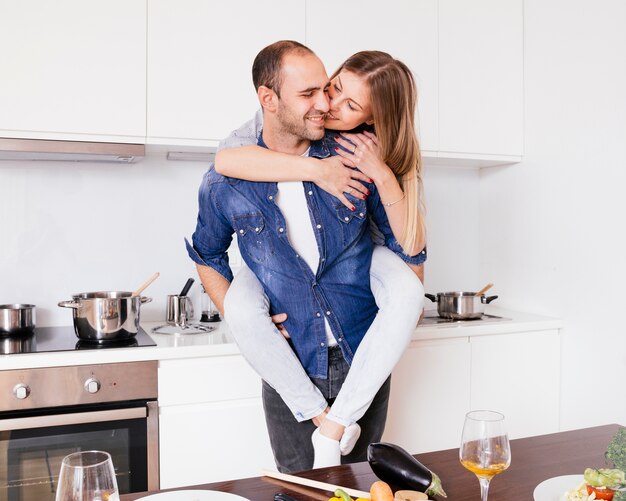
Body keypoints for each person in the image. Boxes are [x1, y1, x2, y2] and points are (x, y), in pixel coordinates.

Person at [187, 41, 426, 473]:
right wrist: (247, 320)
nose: (325, 105)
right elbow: (207, 254)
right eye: (310, 94)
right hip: (292, 367)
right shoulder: (228, 175)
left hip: (360, 355)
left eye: (329, 93)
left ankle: (332, 426)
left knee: (365, 489)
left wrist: (405, 308)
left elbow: (403, 244)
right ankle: (325, 422)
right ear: (268, 99)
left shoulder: (355, 154)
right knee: (298, 491)